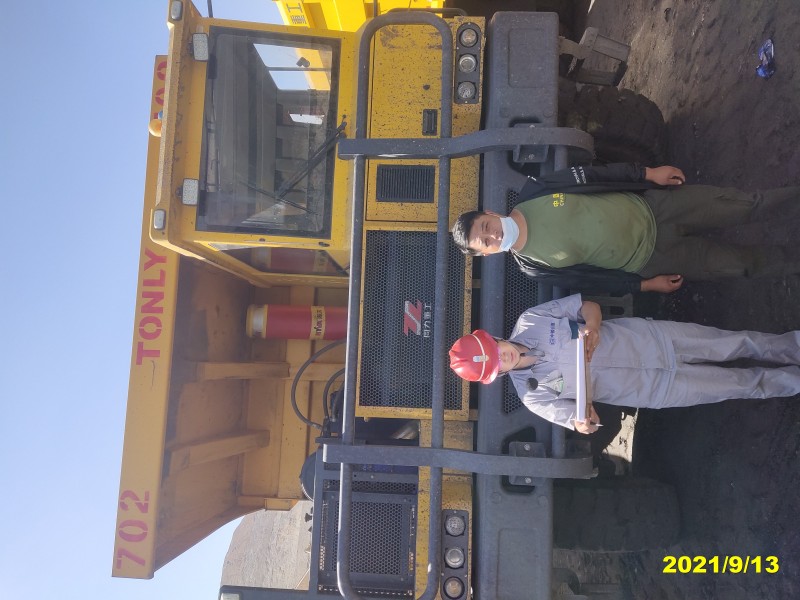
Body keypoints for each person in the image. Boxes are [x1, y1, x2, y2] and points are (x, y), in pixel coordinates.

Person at [448, 294, 800, 433]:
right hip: (657, 389)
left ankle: (793, 346)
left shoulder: (531, 319)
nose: (504, 356)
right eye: (496, 364)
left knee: (738, 342)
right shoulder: (533, 396)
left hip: (657, 339)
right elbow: (577, 421)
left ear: (494, 338)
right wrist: (585, 421)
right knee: (740, 385)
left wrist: (593, 326)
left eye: (496, 349)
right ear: (496, 375)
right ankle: (792, 382)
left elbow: (587, 306)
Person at [450, 162, 800, 294]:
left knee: (745, 205)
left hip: (657, 207)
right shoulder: (534, 268)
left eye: (486, 226)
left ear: (490, 213)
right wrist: (645, 285)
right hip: (654, 258)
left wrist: (647, 174)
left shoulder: (535, 191)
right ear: (488, 254)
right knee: (739, 265)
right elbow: (592, 282)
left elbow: (593, 174)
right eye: (486, 241)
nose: (493, 235)